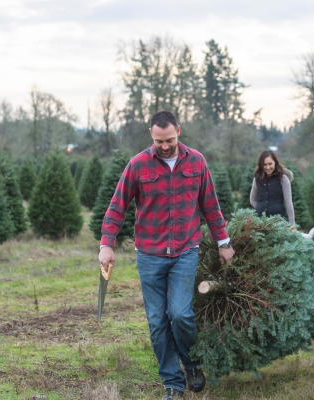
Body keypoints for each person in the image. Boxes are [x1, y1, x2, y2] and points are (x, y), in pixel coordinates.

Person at [98, 111, 235, 400]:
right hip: (149, 254)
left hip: (185, 251)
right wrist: (107, 244)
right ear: (151, 134)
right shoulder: (137, 165)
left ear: (179, 132)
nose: (165, 146)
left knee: (181, 314)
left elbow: (211, 205)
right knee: (158, 321)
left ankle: (192, 364)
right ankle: (173, 382)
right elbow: (117, 206)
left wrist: (223, 241)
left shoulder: (196, 162)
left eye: (170, 139)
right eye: (159, 141)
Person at [249, 150, 295, 227]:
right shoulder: (257, 179)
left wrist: (292, 224)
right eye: (265, 164)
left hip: (278, 223)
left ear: (275, 162)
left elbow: (288, 203)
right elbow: (252, 200)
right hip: (260, 223)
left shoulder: (283, 179)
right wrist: (261, 208)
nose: (268, 167)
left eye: (270, 164)